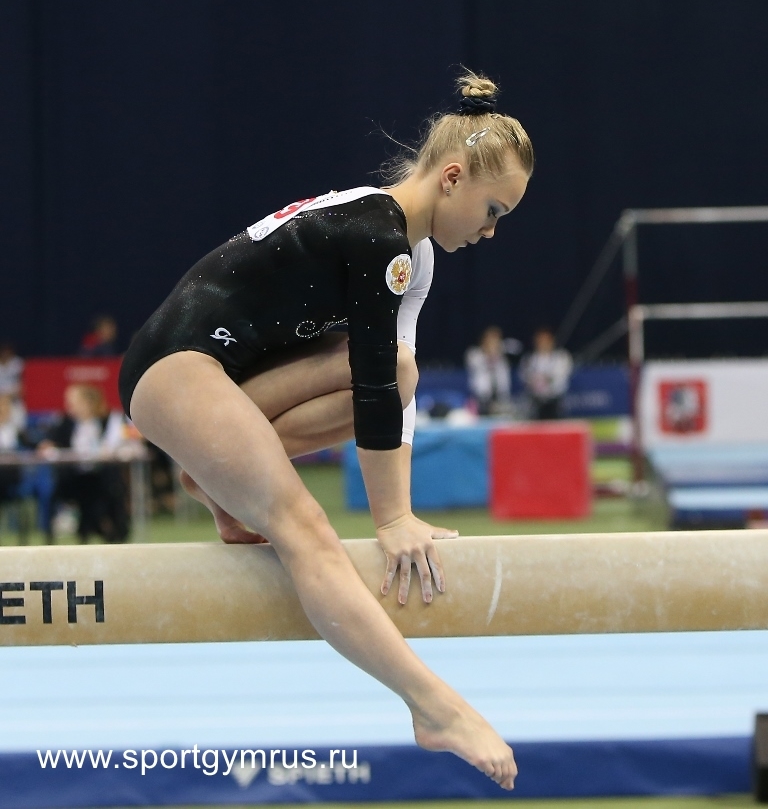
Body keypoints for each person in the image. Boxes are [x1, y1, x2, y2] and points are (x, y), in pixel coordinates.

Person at [118, 71, 533, 789]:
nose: (492, 230)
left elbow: (391, 387)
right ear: (452, 177)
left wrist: (401, 511)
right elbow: (367, 383)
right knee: (304, 527)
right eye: (493, 209)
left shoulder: (410, 252)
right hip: (177, 367)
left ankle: (218, 484)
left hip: (231, 378)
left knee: (403, 369)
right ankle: (434, 705)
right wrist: (391, 520)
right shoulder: (378, 234)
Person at [41, 384, 130, 543]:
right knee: (62, 489)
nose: (69, 406)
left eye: (73, 402)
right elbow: (50, 443)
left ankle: (112, 530)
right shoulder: (66, 422)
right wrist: (48, 446)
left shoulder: (109, 420)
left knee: (109, 488)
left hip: (101, 476)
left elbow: (117, 445)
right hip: (75, 478)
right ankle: (68, 530)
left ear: (88, 403)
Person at [465, 326, 521, 415]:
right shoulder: (475, 354)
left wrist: (501, 345)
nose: (493, 343)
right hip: (482, 398)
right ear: (483, 341)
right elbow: (475, 363)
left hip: (501, 398)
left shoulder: (503, 354)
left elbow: (518, 347)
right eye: (490, 340)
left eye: (496, 340)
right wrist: (489, 352)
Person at [520, 326, 573, 420]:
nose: (542, 343)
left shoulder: (561, 357)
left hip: (555, 401)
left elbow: (560, 377)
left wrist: (546, 379)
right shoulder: (528, 359)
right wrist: (536, 381)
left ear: (551, 341)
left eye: (545, 340)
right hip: (536, 401)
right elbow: (525, 377)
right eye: (540, 340)